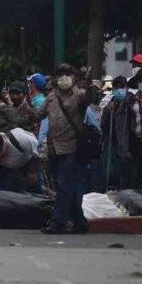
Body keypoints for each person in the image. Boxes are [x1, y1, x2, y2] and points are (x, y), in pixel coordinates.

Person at [40, 64, 89, 234]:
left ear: (73, 77)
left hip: (71, 147)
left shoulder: (78, 95)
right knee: (68, 187)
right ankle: (79, 221)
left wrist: (87, 81)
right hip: (54, 148)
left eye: (67, 74)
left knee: (63, 186)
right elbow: (38, 114)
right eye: (60, 74)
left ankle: (58, 222)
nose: (63, 78)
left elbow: (89, 98)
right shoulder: (51, 97)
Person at [0, 128, 40, 192]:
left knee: (31, 186)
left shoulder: (23, 140)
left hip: (25, 163)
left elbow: (37, 154)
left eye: (1, 157)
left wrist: (32, 172)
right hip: (3, 169)